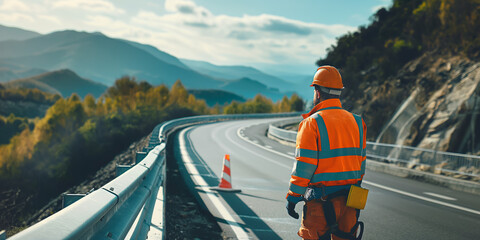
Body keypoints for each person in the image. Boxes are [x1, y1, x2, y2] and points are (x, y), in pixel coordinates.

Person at [286, 66, 367, 240]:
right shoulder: (357, 122)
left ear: (317, 91)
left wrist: (293, 197)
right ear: (339, 92)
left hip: (321, 203)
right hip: (350, 202)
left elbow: (304, 165)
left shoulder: (311, 123)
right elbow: (362, 164)